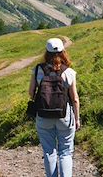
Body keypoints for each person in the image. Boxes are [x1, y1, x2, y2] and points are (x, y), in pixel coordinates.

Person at [28, 37, 81, 177]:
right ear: (63, 52)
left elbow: (30, 93)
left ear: (46, 52)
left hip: (43, 116)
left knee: (49, 151)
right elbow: (75, 98)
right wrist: (77, 119)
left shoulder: (37, 70)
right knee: (65, 151)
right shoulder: (68, 72)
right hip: (65, 115)